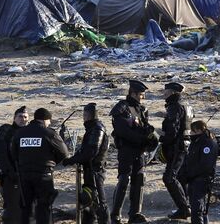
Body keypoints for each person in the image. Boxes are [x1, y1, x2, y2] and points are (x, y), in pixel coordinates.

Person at [109, 80, 159, 224]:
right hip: (127, 150)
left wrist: (150, 136)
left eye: (143, 95)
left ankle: (135, 213)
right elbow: (123, 130)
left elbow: (145, 127)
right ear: (132, 93)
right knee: (124, 179)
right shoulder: (121, 108)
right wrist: (142, 139)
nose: (142, 97)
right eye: (140, 95)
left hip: (140, 151)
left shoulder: (142, 109)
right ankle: (116, 215)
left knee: (139, 180)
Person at [11, 107, 68, 224]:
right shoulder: (49, 133)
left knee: (26, 208)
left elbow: (13, 153)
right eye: (49, 121)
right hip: (44, 175)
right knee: (43, 208)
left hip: (24, 176)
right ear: (45, 120)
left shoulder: (20, 133)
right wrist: (52, 162)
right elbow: (64, 153)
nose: (50, 123)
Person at [62, 103, 110, 224]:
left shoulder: (97, 129)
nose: (84, 117)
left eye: (85, 115)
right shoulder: (92, 128)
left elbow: (91, 152)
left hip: (96, 170)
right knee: (90, 201)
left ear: (87, 115)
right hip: (90, 169)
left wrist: (73, 160)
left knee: (99, 202)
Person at [160, 82, 193, 219]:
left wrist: (163, 142)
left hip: (177, 147)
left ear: (173, 92)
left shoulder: (175, 106)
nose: (164, 94)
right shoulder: (187, 105)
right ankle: (186, 207)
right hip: (185, 145)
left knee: (169, 178)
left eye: (166, 91)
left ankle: (184, 208)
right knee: (181, 177)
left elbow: (172, 129)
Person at [0, 106, 29, 224]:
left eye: (25, 117)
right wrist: (10, 172)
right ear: (14, 118)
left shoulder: (29, 133)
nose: (23, 119)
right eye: (20, 116)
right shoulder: (6, 130)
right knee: (12, 209)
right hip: (10, 176)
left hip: (27, 177)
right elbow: (0, 154)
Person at [185, 120, 220, 224]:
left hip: (201, 180)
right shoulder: (196, 142)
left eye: (193, 131)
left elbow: (205, 165)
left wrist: (191, 174)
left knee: (198, 209)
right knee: (198, 208)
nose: (191, 134)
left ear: (200, 130)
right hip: (193, 179)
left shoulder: (208, 143)